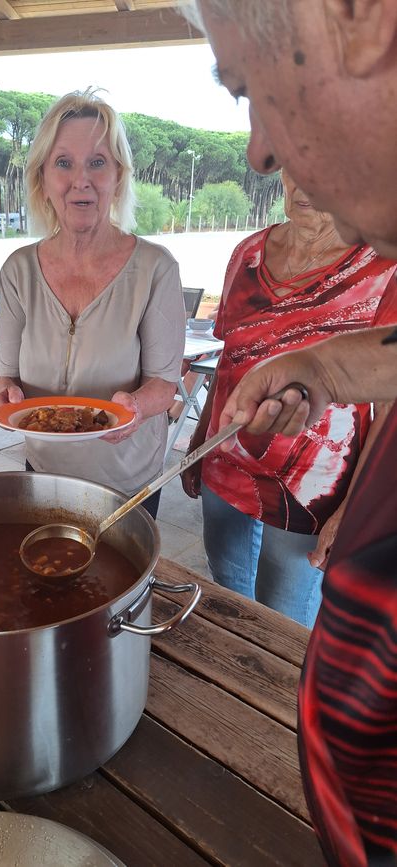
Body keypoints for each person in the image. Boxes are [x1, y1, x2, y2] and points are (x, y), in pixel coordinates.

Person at [182, 2, 397, 864]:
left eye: (254, 92)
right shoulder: (246, 254)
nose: (258, 152)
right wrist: (336, 368)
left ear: (364, 17)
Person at [181, 171, 397, 627]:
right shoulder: (248, 254)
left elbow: (391, 407)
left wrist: (353, 508)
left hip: (311, 489)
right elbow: (229, 362)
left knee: (285, 620)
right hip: (226, 465)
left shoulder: (384, 267)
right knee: (227, 597)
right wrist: (199, 446)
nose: (305, 186)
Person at [0, 90, 184, 516]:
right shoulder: (18, 270)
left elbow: (164, 384)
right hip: (42, 473)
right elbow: (6, 379)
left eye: (98, 162)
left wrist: (135, 407)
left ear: (118, 176)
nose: (82, 180)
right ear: (43, 178)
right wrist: (2, 394)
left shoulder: (156, 268)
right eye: (64, 163)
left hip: (127, 484)